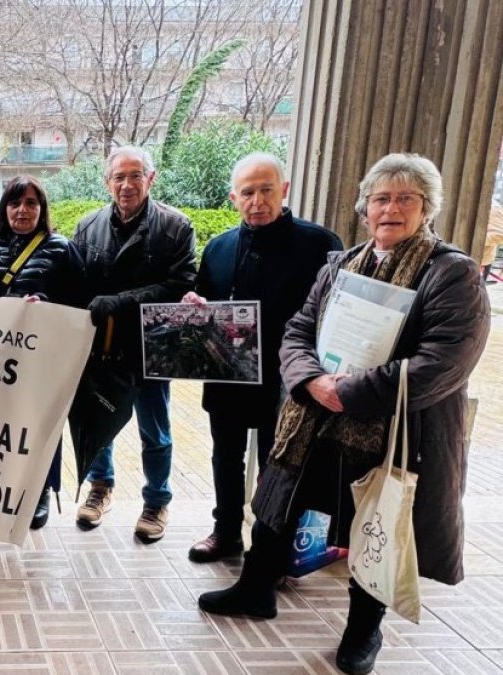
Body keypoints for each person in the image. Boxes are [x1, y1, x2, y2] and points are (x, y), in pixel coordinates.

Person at [197, 153, 490, 675]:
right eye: (381, 198)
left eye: (406, 199)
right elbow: (298, 330)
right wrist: (312, 380)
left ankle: (363, 630)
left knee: (373, 524)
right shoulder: (342, 264)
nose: (391, 209)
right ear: (365, 208)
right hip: (313, 414)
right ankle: (256, 588)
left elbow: (443, 361)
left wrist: (348, 391)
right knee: (277, 500)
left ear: (428, 208)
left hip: (393, 429)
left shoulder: (451, 273)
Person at [183, 153, 342, 562]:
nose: (258, 200)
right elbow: (207, 306)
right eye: (248, 192)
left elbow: (333, 316)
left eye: (267, 189)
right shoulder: (218, 248)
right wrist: (196, 306)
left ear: (284, 190)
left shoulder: (321, 245)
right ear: (234, 197)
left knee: (281, 460)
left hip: (288, 378)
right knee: (225, 456)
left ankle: (272, 545)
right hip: (228, 373)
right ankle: (226, 532)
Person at [70, 146, 196, 542]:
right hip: (102, 348)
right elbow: (77, 285)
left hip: (153, 347)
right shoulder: (87, 226)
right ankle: (100, 487)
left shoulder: (176, 227)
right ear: (107, 182)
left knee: (154, 431)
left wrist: (120, 302)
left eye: (135, 175)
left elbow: (180, 285)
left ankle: (157, 500)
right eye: (118, 177)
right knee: (100, 422)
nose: (126, 184)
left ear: (151, 178)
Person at [0, 175, 84, 529]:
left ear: (42, 209)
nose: (22, 210)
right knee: (0, 424)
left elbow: (79, 304)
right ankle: (1, 487)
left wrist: (46, 305)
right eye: (15, 203)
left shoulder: (61, 248)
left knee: (40, 426)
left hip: (42, 358)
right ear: (4, 207)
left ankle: (39, 493)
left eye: (31, 203)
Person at [480, 200, 503, 283]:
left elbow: (499, 235)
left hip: (480, 259)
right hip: (477, 259)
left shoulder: (493, 207)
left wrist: (477, 241)